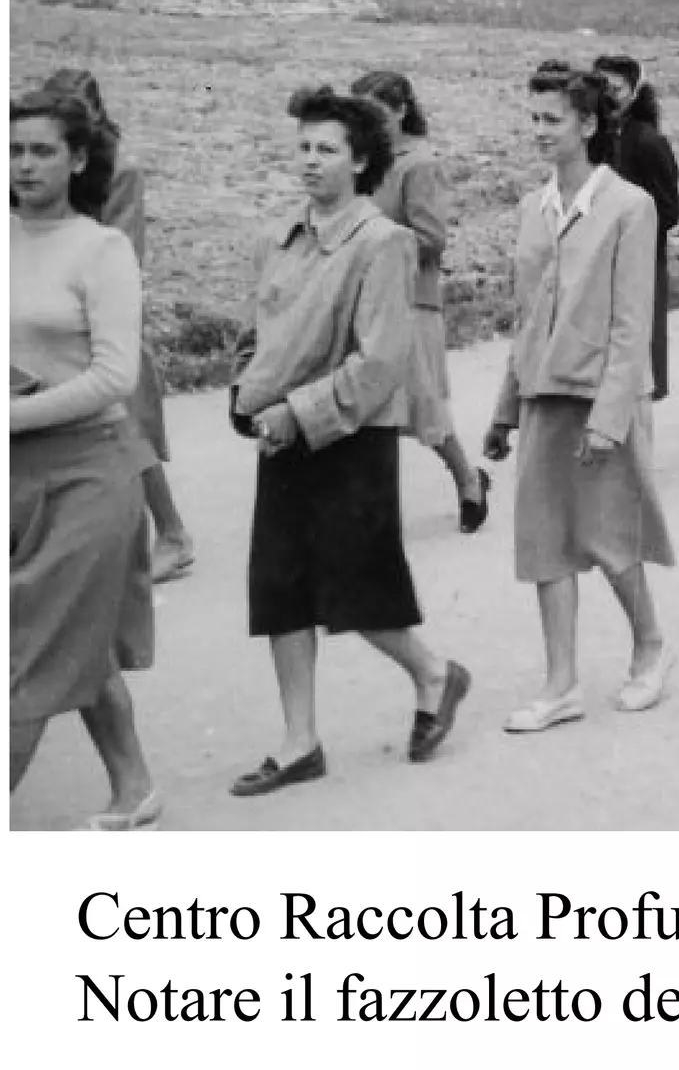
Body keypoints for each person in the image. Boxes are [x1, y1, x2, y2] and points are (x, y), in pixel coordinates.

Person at [228, 87, 469, 795]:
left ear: (361, 160)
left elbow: (380, 361)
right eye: (303, 146)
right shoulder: (280, 237)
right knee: (281, 589)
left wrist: (295, 415)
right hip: (282, 433)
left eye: (326, 149)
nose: (309, 160)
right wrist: (245, 395)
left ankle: (433, 674)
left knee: (356, 588)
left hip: (351, 436)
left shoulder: (383, 243)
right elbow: (259, 334)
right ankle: (298, 742)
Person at [485, 64, 675, 733]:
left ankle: (650, 647)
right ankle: (561, 683)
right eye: (533, 118)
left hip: (601, 397)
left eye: (552, 119)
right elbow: (526, 316)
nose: (538, 131)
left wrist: (610, 418)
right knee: (544, 542)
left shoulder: (629, 206)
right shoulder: (532, 209)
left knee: (609, 536)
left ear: (589, 125)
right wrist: (506, 409)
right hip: (541, 393)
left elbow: (632, 325)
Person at [11, 91, 160, 828]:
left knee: (28, 652)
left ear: (76, 159)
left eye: (41, 150)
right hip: (14, 476)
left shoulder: (101, 250)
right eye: (14, 150)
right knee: (74, 634)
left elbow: (113, 377)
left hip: (88, 474)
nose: (25, 164)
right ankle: (135, 785)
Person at [39, 68, 198, 586]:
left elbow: (124, 251)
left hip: (101, 319)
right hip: (46, 318)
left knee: (125, 428)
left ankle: (172, 533)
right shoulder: (41, 164)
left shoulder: (120, 171)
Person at [350, 70, 491, 534]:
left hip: (410, 300)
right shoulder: (361, 160)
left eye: (376, 112)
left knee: (422, 404)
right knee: (362, 404)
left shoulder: (419, 164)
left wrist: (374, 239)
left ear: (401, 110)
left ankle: (468, 480)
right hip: (363, 297)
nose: (367, 122)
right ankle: (369, 509)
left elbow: (431, 238)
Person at [592, 54, 679, 402]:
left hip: (638, 260)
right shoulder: (595, 137)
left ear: (633, 92)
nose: (608, 96)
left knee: (635, 355)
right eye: (601, 87)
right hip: (597, 255)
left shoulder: (647, 142)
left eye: (615, 88)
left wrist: (626, 222)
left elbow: (670, 211)